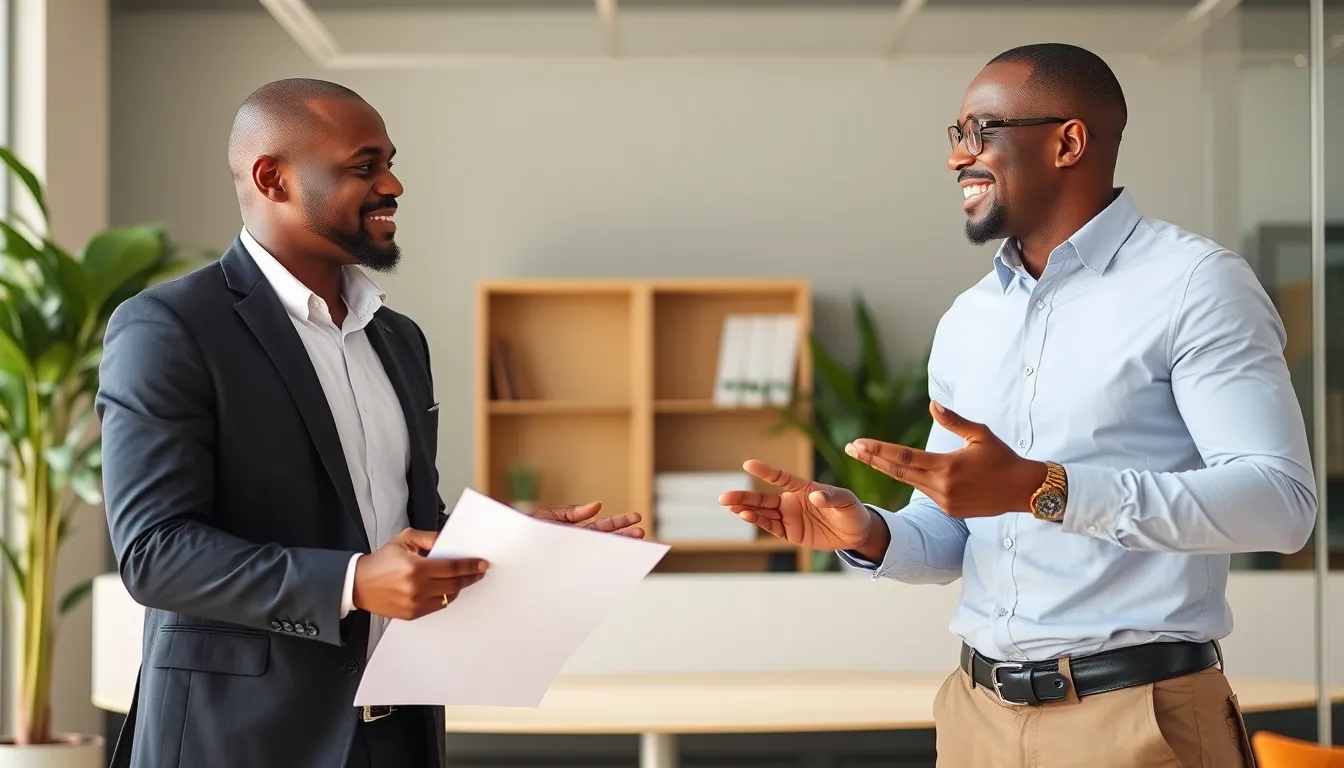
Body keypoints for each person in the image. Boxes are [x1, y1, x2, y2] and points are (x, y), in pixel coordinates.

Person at [720, 43, 1315, 768]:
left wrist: (1048, 489)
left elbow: (1282, 506)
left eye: (981, 132)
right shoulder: (970, 321)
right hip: (976, 720)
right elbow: (951, 531)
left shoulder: (1196, 286)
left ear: (1067, 141)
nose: (956, 159)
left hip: (1135, 722)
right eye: (956, 135)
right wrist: (867, 532)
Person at [96, 78, 642, 768]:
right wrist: (350, 581)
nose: (394, 185)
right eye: (365, 166)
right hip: (240, 739)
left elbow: (403, 530)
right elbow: (155, 553)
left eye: (389, 161)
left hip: (398, 733)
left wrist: (517, 549)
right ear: (274, 178)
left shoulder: (399, 339)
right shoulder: (170, 328)